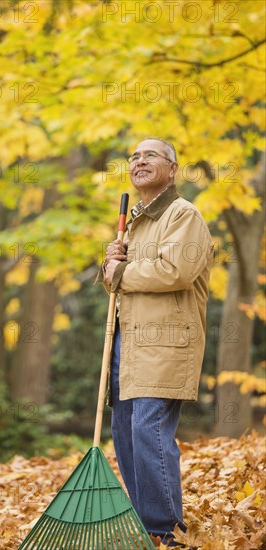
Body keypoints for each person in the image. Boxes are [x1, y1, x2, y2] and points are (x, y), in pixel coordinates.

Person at [96, 137, 213, 545]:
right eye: (134, 157)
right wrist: (112, 260)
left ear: (173, 169)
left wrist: (121, 272)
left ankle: (165, 530)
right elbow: (122, 278)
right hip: (128, 344)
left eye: (150, 155)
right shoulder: (136, 221)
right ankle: (147, 525)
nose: (139, 161)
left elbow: (174, 271)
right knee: (126, 431)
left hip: (165, 344)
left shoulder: (184, 215)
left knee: (148, 429)